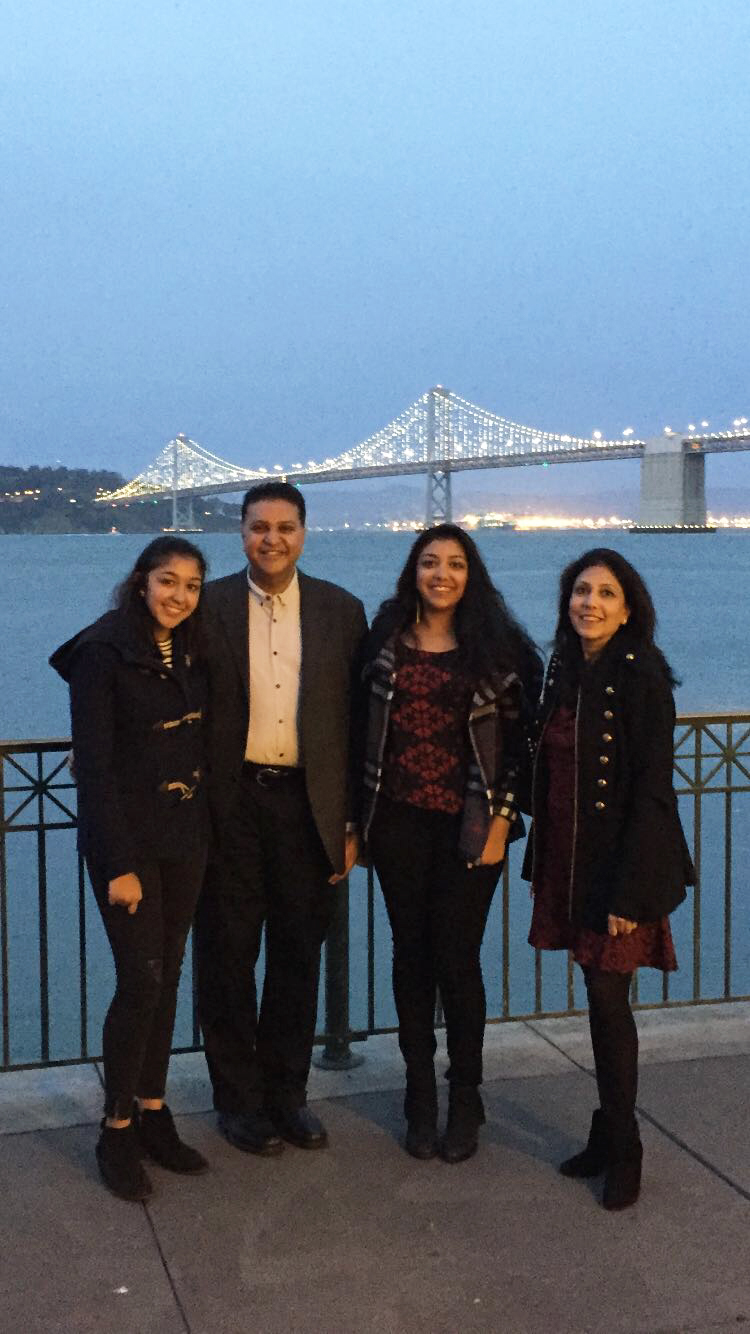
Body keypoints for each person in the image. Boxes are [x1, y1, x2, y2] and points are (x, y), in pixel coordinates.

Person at [359, 523, 542, 1163]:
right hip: (398, 823)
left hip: (472, 825)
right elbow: (358, 736)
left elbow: (518, 755)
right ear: (413, 570)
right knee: (410, 956)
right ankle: (418, 1097)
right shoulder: (382, 643)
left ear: (473, 576)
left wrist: (499, 825)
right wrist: (356, 825)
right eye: (430, 562)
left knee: (458, 962)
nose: (442, 574)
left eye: (456, 564)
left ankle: (465, 1095)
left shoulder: (500, 653)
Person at [194, 481, 367, 1155]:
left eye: (285, 527)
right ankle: (237, 1103)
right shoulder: (204, 607)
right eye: (259, 526)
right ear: (240, 533)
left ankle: (288, 1096)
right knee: (227, 959)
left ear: (304, 533)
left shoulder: (340, 610)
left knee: (299, 956)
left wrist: (350, 822)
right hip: (230, 805)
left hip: (307, 808)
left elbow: (355, 724)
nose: (272, 539)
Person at [524, 547, 694, 1210]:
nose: (589, 604)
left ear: (629, 610)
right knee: (597, 997)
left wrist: (630, 892)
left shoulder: (640, 672)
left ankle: (626, 1147)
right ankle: (604, 1129)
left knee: (607, 999)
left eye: (605, 594)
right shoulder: (564, 668)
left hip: (619, 870)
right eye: (580, 592)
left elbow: (653, 789)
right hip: (568, 861)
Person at [49, 537, 211, 1202]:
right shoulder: (102, 651)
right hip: (130, 849)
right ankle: (115, 1128)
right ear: (140, 580)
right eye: (168, 581)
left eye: (192, 585)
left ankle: (152, 1109)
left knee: (168, 977)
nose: (179, 596)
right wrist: (117, 864)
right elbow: (95, 766)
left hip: (186, 838)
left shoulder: (195, 648)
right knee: (139, 980)